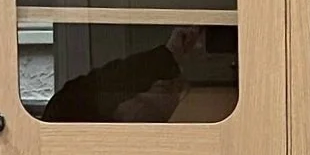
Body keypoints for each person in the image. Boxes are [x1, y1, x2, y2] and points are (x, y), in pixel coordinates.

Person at [41, 25, 204, 122]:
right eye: (167, 87)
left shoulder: (64, 107)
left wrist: (168, 54)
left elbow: (96, 84)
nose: (176, 89)